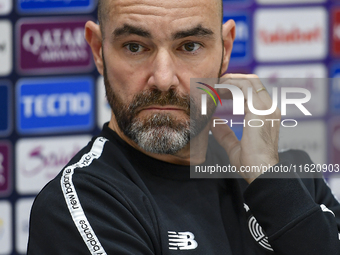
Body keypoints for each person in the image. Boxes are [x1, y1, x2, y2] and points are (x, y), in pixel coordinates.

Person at [27, 0, 340, 254]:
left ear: (226, 50)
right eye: (135, 47)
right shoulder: (81, 206)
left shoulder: (293, 179)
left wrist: (271, 183)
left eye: (189, 46)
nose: (163, 79)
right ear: (98, 50)